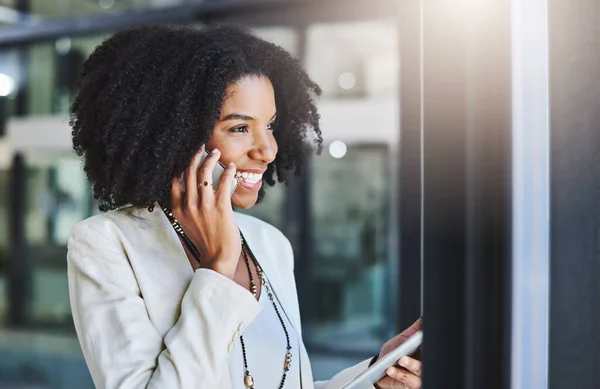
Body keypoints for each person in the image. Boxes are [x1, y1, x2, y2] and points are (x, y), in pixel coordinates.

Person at [67, 24, 422, 389]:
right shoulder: (106, 243)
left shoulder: (269, 243)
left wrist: (377, 376)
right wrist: (219, 267)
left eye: (270, 125)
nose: (267, 149)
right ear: (175, 133)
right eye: (239, 128)